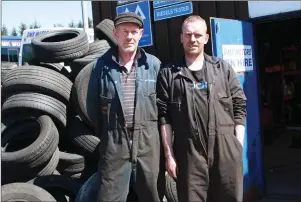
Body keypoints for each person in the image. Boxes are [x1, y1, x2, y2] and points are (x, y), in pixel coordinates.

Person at [156, 15, 247, 202]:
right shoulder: (169, 74)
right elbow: (164, 117)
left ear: (206, 38)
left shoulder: (223, 69)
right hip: (189, 156)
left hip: (225, 153)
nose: (193, 39)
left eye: (198, 35)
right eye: (188, 34)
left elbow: (240, 106)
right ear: (181, 37)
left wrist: (237, 145)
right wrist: (169, 156)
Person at [86, 12, 164, 202]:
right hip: (115, 145)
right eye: (124, 31)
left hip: (148, 146)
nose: (129, 36)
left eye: (134, 32)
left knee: (152, 195)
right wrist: (110, 134)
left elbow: (163, 107)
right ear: (115, 33)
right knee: (110, 197)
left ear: (140, 34)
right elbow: (92, 108)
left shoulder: (153, 65)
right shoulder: (101, 66)